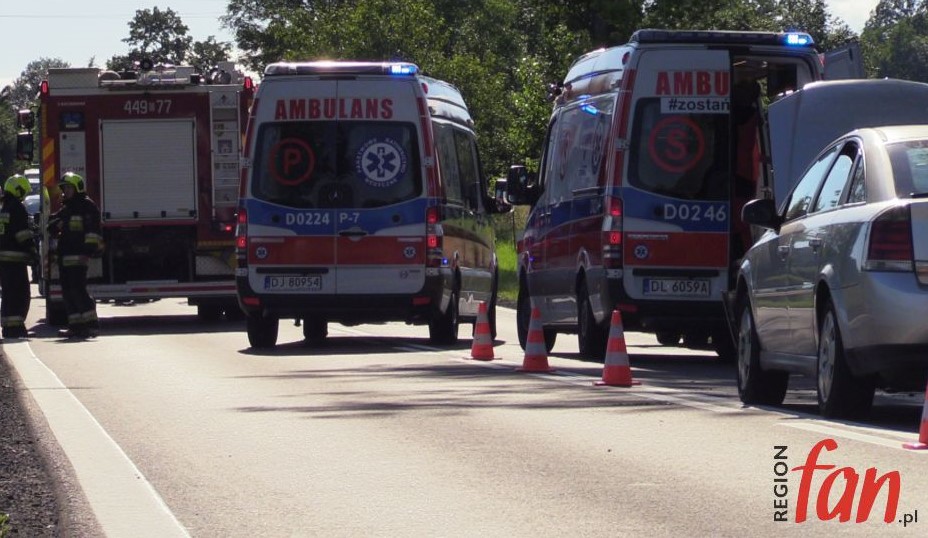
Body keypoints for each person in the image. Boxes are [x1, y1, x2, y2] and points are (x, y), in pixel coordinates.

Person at [48, 172, 102, 338]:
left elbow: (93, 231)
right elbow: (51, 225)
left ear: (77, 188)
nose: (66, 191)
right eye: (65, 188)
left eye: (69, 188)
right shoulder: (67, 208)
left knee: (79, 291)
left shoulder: (87, 206)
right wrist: (57, 223)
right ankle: (75, 326)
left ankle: (91, 325)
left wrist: (88, 250)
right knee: (68, 292)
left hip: (79, 257)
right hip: (65, 257)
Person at [0, 174, 38, 339]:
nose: (24, 196)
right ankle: (16, 328)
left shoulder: (4, 208)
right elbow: (22, 234)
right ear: (18, 190)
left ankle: (8, 327)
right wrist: (32, 250)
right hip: (15, 261)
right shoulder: (17, 208)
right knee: (20, 295)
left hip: (4, 260)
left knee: (8, 295)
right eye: (23, 191)